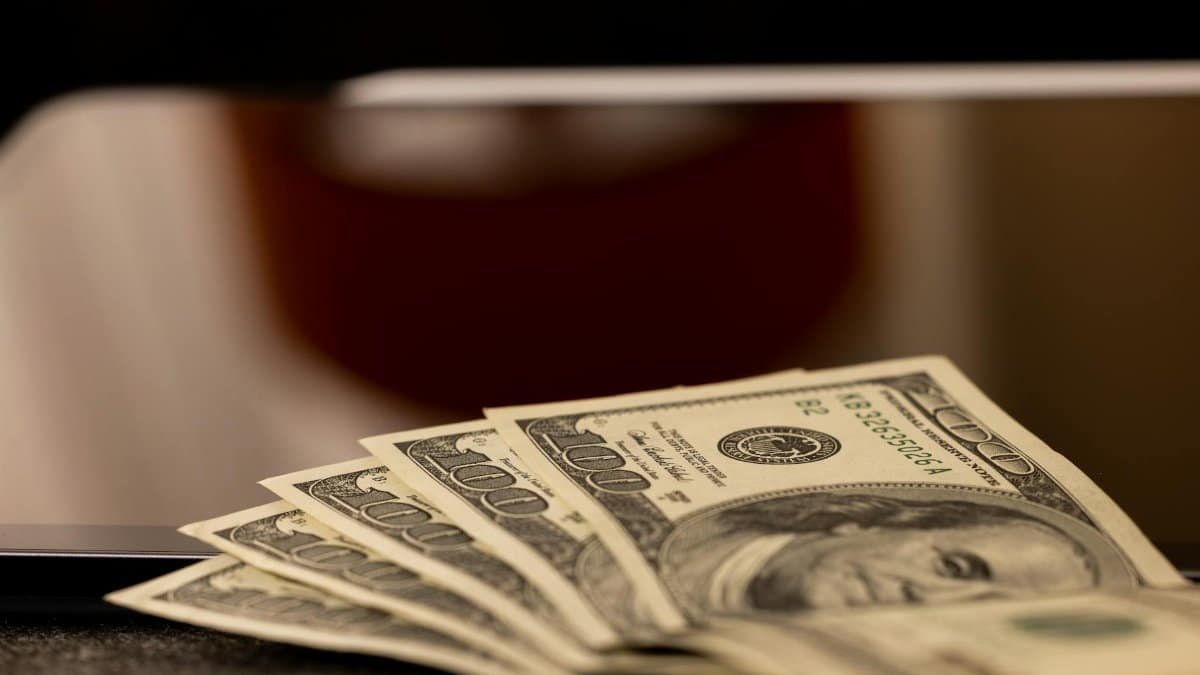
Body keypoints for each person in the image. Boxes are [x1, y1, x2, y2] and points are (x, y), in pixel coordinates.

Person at [660, 489, 1124, 617]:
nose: (933, 602)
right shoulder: (690, 548)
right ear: (862, 524)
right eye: (954, 567)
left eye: (975, 613)